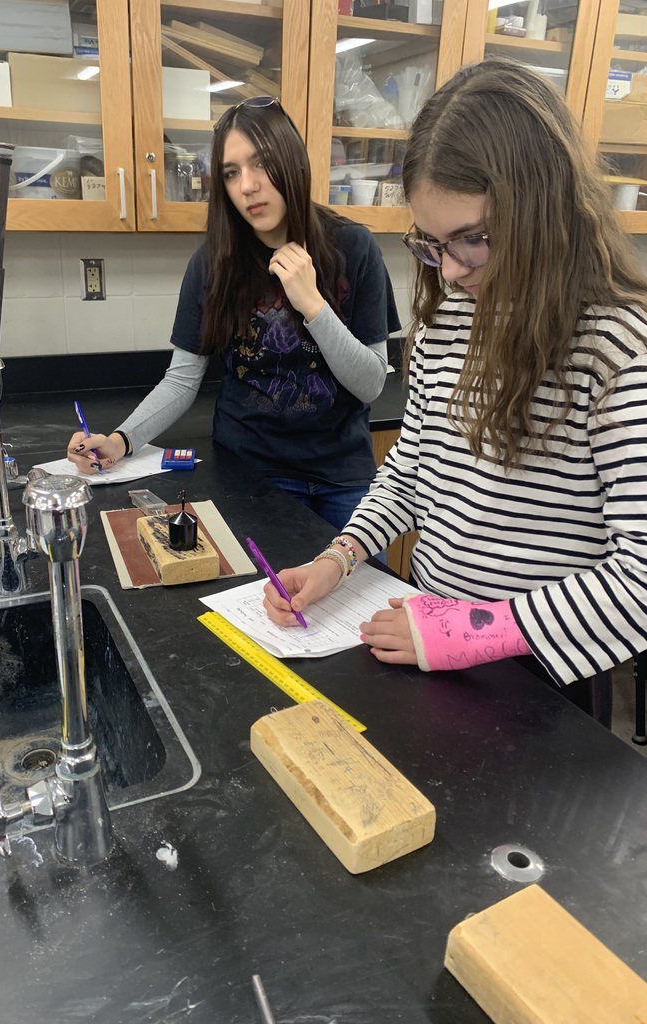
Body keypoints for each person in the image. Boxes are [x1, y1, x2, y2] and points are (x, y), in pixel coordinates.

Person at [263, 57, 647, 726]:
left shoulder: (616, 345)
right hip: (425, 637)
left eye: (473, 239)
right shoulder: (448, 319)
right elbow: (412, 471)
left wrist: (470, 632)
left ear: (542, 205)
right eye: (433, 244)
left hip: (540, 680)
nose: (453, 268)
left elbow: (640, 579)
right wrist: (339, 557)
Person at [67, 96, 400, 531]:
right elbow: (183, 380)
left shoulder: (354, 248)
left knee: (359, 596)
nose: (247, 186)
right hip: (250, 474)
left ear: (292, 162)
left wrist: (312, 305)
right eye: (231, 172)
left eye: (261, 164)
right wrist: (119, 440)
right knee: (261, 598)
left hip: (343, 478)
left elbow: (372, 383)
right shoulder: (213, 263)